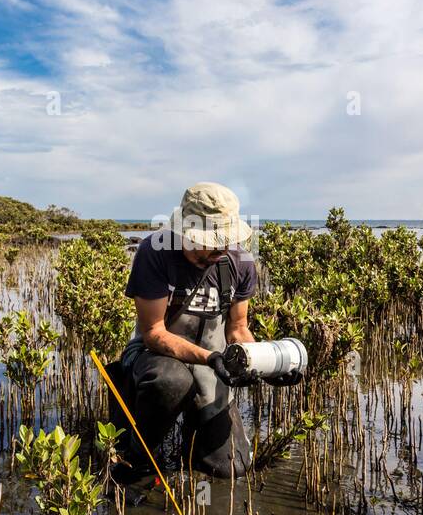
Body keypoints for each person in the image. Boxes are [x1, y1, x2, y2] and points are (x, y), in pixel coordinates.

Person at [115, 182, 301, 482]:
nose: (219, 250)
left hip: (211, 364)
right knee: (171, 380)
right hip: (154, 358)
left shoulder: (240, 262)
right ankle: (138, 456)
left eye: (224, 242)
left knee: (230, 469)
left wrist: (268, 365)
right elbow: (154, 333)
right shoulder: (155, 253)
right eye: (210, 242)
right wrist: (211, 358)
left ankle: (193, 439)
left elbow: (238, 329)